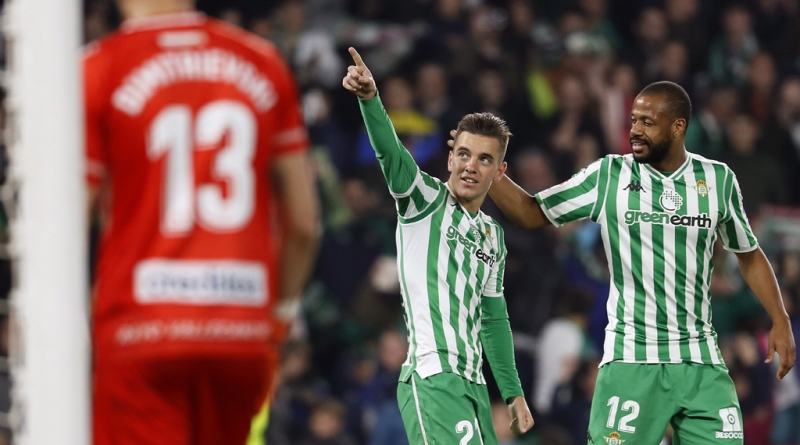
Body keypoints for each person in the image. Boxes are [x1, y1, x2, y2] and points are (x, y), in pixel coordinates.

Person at [482, 81, 796, 445]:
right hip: (632, 360)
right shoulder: (609, 175)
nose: (635, 130)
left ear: (678, 127)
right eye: (633, 120)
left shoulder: (717, 179)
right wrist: (488, 167)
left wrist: (780, 318)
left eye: (647, 121)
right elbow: (530, 212)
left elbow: (749, 254)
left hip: (700, 362)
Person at [84, 0, 320, 444]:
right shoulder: (262, 62)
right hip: (241, 328)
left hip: (141, 330)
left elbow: (67, 228)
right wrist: (277, 319)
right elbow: (305, 222)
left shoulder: (99, 67)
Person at [342, 47, 534, 444]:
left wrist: (513, 393)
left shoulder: (492, 235)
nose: (470, 166)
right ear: (450, 159)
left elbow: (493, 320)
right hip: (433, 377)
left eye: (484, 159)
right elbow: (391, 154)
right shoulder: (424, 199)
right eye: (463, 154)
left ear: (499, 172)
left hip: (474, 385)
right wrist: (371, 100)